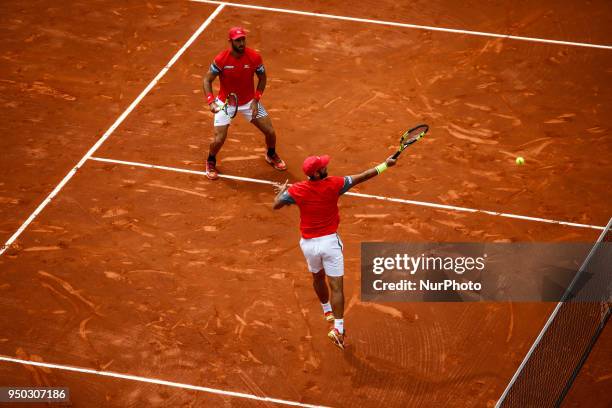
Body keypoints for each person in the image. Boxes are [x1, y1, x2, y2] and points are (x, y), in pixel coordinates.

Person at [273, 154, 397, 349]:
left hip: (308, 245)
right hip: (330, 244)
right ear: (317, 172)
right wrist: (385, 165)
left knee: (317, 277)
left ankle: (327, 311)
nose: (326, 166)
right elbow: (363, 176)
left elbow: (276, 205)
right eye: (323, 166)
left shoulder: (297, 190)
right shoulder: (335, 184)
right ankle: (338, 328)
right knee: (336, 287)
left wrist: (282, 193)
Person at [203, 27, 286, 180]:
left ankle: (271, 154)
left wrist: (256, 100)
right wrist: (211, 102)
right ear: (231, 42)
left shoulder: (254, 57)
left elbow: (263, 78)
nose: (241, 43)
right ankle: (210, 161)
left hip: (249, 102)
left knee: (270, 132)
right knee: (218, 139)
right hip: (226, 103)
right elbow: (207, 80)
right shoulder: (221, 59)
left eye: (243, 39)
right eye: (237, 40)